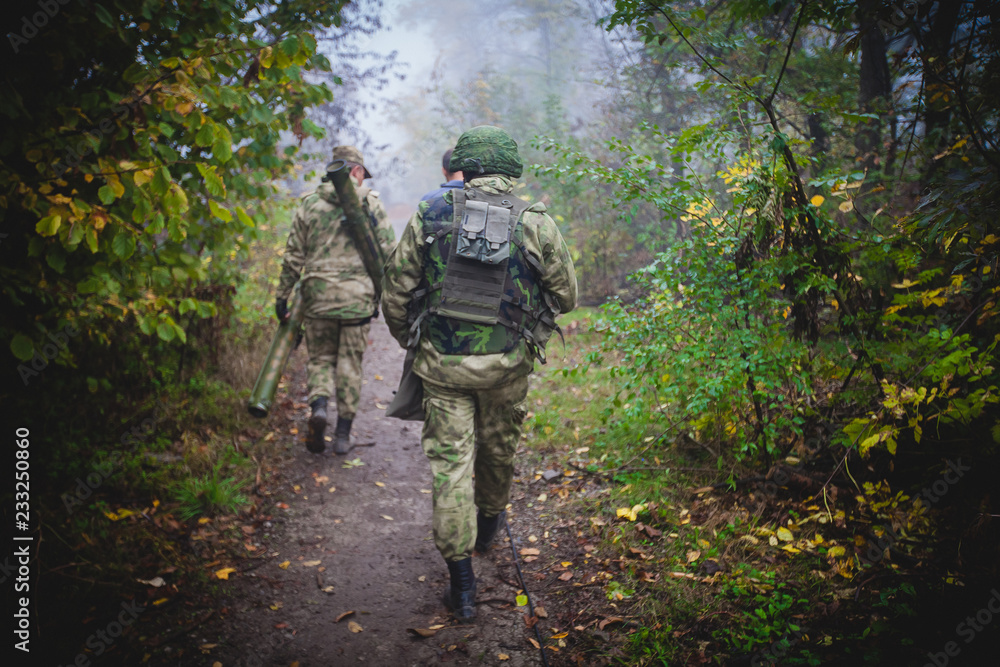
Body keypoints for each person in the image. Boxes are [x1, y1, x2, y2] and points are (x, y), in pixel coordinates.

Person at [381, 126, 577, 621]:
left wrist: (414, 339)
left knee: (450, 469)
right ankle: (490, 523)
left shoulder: (431, 211)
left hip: (442, 370)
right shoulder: (534, 221)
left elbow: (396, 292)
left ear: (463, 166)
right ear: (511, 170)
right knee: (498, 451)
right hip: (507, 367)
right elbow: (568, 296)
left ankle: (462, 586)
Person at [276, 146, 395, 455]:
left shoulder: (310, 205)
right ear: (355, 171)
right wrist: (389, 296)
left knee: (320, 360)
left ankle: (318, 409)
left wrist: (282, 297)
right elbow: (388, 252)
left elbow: (293, 256)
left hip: (316, 299)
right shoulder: (370, 203)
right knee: (350, 365)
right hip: (357, 299)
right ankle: (342, 435)